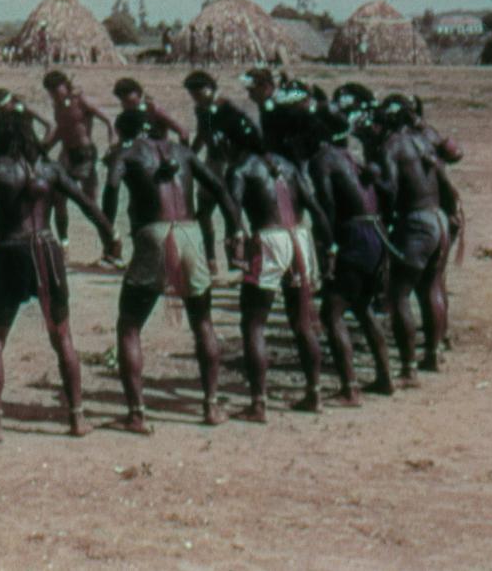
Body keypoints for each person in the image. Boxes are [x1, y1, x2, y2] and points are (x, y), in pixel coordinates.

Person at [0, 111, 120, 442]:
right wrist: (110, 234)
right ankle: (77, 419)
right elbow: (85, 202)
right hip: (48, 252)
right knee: (62, 337)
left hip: (11, 251)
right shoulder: (52, 170)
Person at [101, 110, 243, 433]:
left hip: (153, 235)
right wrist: (235, 230)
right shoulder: (185, 152)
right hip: (191, 233)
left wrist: (108, 233)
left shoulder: (126, 152)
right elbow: (220, 188)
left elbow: (110, 189)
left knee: (130, 326)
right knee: (202, 322)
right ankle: (210, 406)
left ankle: (137, 414)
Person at [223, 109, 332, 421]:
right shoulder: (288, 165)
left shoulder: (240, 168)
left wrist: (236, 245)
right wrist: (329, 245)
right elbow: (314, 207)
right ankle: (315, 394)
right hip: (300, 238)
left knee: (253, 323)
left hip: (269, 242)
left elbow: (233, 213)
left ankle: (258, 404)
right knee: (302, 322)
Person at [307, 108, 394, 403]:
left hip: (354, 237)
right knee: (362, 306)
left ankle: (350, 388)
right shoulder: (351, 157)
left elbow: (327, 206)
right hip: (376, 234)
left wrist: (329, 247)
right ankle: (385, 377)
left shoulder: (323, 160)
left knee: (331, 314)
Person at [373, 95, 461, 383]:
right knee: (432, 286)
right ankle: (433, 354)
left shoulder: (391, 146)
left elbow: (389, 189)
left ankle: (409, 368)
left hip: (416, 224)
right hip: (438, 220)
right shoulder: (424, 139)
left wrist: (370, 178)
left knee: (398, 294)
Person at [183, 70, 248, 278]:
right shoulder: (201, 110)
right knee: (203, 213)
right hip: (212, 163)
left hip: (230, 164)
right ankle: (210, 260)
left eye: (198, 92)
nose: (195, 97)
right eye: (192, 94)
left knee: (232, 213)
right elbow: (202, 134)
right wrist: (190, 155)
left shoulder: (226, 108)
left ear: (209, 89)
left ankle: (239, 260)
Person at [41, 71, 114, 250]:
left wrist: (111, 144)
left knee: (89, 202)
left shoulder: (80, 101)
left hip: (85, 154)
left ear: (66, 86)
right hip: (67, 154)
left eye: (58, 91)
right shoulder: (57, 106)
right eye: (52, 93)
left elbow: (108, 120)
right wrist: (44, 148)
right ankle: (64, 244)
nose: (56, 95)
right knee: (58, 197)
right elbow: (61, 130)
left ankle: (111, 244)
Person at [112, 78, 188, 144]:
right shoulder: (123, 118)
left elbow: (182, 132)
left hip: (158, 151)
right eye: (122, 99)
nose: (126, 102)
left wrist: (185, 153)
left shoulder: (153, 110)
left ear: (138, 93)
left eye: (128, 97)